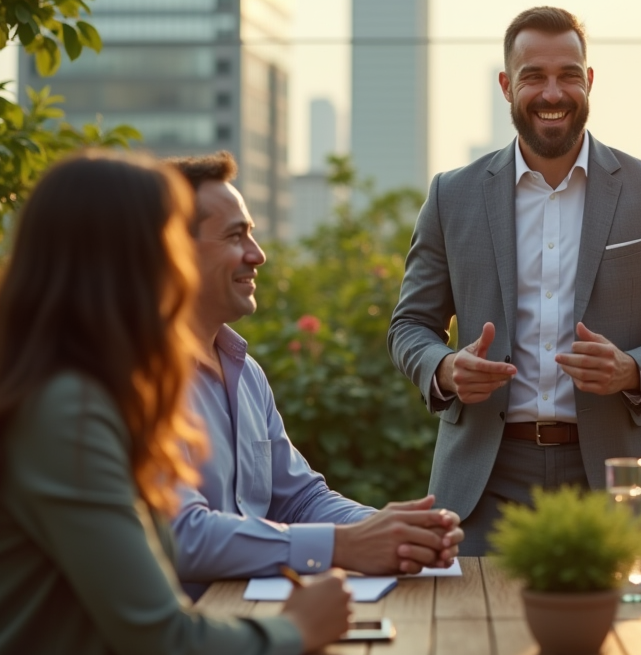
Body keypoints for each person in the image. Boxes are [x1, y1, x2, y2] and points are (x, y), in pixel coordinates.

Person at [0, 154, 351, 655]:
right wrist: (297, 629)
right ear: (125, 261)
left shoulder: (90, 393)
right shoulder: (67, 412)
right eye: (170, 245)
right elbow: (162, 640)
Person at [388, 6, 641, 553]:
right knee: (474, 635)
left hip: (613, 478)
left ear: (588, 81)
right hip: (484, 480)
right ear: (506, 86)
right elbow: (410, 326)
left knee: (620, 639)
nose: (552, 93)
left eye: (568, 75)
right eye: (533, 77)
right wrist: (445, 368)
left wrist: (633, 369)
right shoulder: (453, 195)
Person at [167, 153, 462, 596]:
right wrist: (343, 545)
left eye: (252, 233)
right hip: (189, 645)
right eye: (235, 236)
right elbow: (182, 535)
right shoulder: (140, 383)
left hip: (257, 622)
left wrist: (392, 530)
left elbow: (299, 499)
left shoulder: (246, 373)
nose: (258, 254)